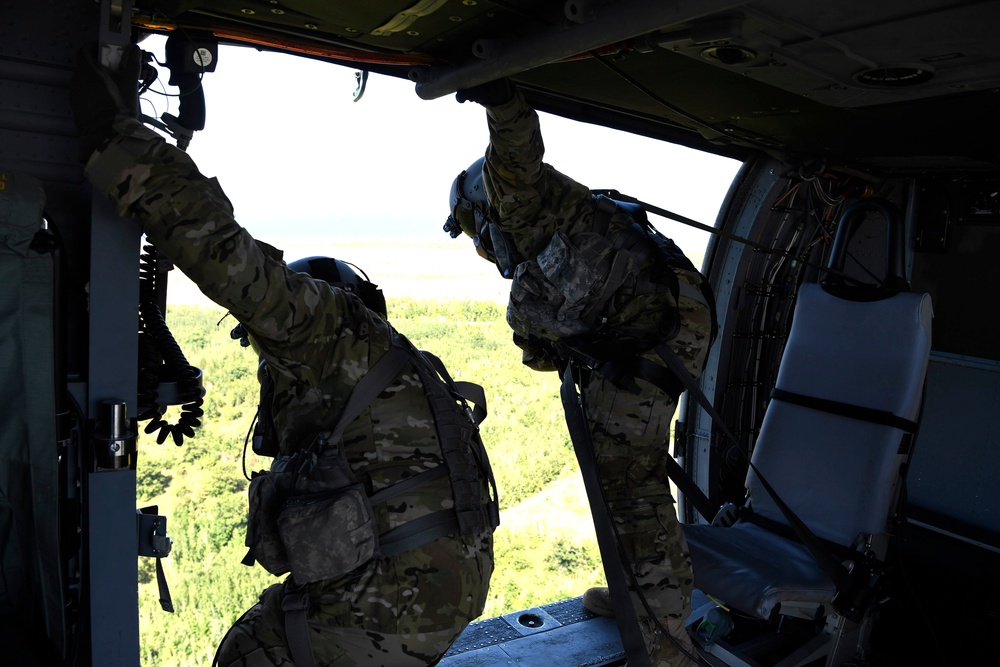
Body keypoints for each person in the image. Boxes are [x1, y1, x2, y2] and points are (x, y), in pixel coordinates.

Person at [70, 45, 496, 667]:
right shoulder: (384, 360)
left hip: (400, 601)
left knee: (251, 648)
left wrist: (114, 143)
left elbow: (227, 255)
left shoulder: (324, 329)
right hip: (441, 588)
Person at [446, 79, 716, 667]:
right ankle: (639, 596)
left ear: (483, 208)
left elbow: (514, 152)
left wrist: (500, 98)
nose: (486, 249)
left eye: (477, 233)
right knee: (626, 473)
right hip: (665, 319)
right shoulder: (566, 221)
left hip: (655, 330)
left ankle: (664, 633)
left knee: (629, 480)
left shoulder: (519, 198)